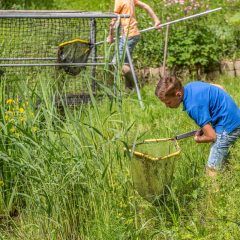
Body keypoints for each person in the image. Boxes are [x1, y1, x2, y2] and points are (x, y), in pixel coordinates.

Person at [155, 76, 240, 177]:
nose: (167, 106)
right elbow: (219, 87)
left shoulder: (192, 106)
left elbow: (212, 136)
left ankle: (214, 191)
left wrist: (198, 139)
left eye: (168, 102)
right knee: (223, 160)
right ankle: (229, 176)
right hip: (236, 116)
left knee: (212, 169)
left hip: (227, 127)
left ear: (178, 94)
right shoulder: (192, 86)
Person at [107, 0, 161, 89]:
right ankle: (130, 89)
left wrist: (110, 36)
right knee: (125, 64)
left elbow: (114, 19)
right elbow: (145, 6)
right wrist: (156, 19)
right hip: (134, 35)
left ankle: (136, 85)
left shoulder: (119, 1)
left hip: (128, 36)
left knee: (116, 63)